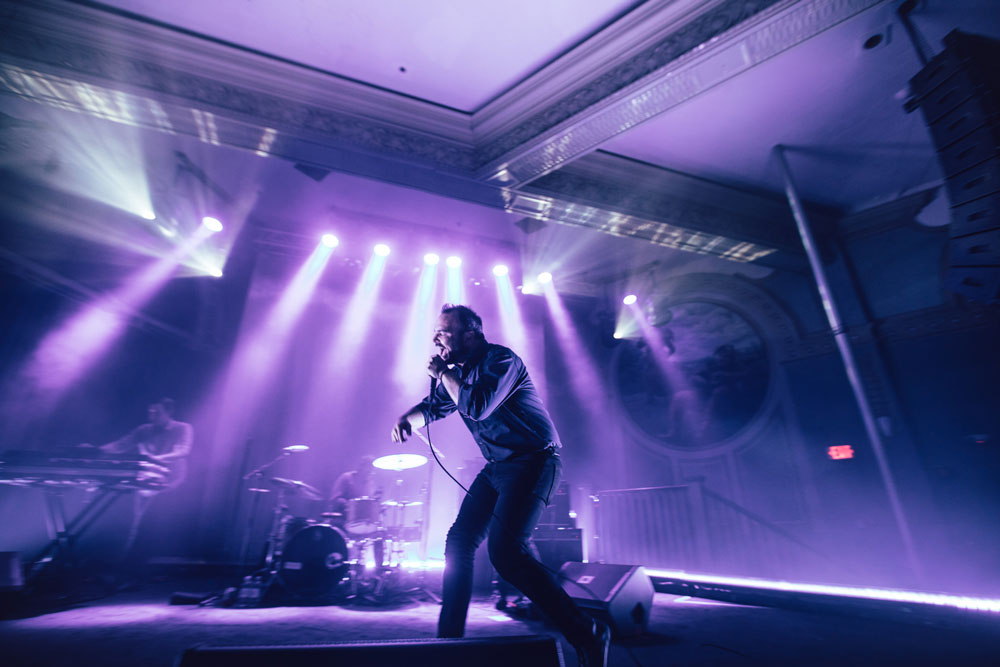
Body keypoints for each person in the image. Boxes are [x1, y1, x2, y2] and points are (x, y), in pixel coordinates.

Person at [391, 304, 610, 667]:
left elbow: (477, 405)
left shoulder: (501, 361)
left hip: (535, 461)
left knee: (506, 553)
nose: (436, 339)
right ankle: (447, 644)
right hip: (498, 466)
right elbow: (434, 406)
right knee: (459, 542)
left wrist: (444, 372)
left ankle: (588, 632)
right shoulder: (459, 374)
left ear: (471, 334)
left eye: (444, 332)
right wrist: (407, 419)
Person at [99, 398, 193, 561]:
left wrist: (154, 459)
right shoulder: (143, 430)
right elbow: (121, 445)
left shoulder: (182, 428)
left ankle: (136, 563)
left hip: (170, 482)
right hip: (146, 481)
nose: (152, 415)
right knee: (136, 522)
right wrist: (96, 451)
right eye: (150, 411)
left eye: (157, 412)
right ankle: (129, 563)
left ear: (169, 412)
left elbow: (182, 451)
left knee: (150, 523)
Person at [328, 455, 385, 568]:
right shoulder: (346, 478)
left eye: (372, 470)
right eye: (369, 468)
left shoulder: (370, 483)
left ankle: (378, 571)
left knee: (380, 534)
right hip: (343, 520)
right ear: (361, 466)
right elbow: (334, 499)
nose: (371, 472)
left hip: (363, 522)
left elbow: (369, 503)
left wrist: (378, 505)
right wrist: (349, 504)